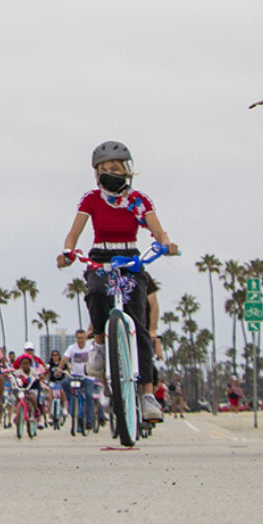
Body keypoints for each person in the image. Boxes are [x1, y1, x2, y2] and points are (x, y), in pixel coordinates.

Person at [56, 141, 179, 425]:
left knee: (139, 321)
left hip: (131, 257)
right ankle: (99, 345)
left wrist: (165, 243)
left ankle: (148, 396)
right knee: (97, 293)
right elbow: (73, 234)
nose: (109, 173)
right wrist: (67, 252)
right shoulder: (91, 199)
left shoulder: (139, 200)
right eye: (103, 170)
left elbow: (157, 230)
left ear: (127, 170)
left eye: (114, 168)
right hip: (101, 254)